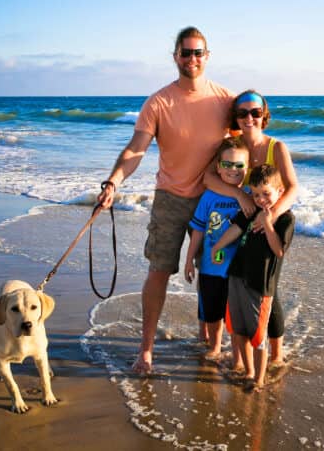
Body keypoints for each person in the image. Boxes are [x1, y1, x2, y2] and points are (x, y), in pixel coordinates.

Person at [97, 26, 234, 375]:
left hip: (214, 200)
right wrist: (113, 182)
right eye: (185, 53)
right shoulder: (158, 102)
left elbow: (244, 149)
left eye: (198, 52)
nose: (192, 59)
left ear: (208, 56)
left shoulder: (225, 100)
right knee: (158, 271)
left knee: (212, 273)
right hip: (170, 199)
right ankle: (145, 351)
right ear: (175, 57)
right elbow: (135, 149)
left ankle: (211, 341)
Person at [202, 89, 298, 367]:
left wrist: (269, 215)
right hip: (241, 221)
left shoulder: (276, 148)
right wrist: (240, 196)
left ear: (264, 116)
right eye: (242, 113)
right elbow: (209, 177)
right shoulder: (232, 143)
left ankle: (277, 356)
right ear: (236, 116)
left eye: (255, 112)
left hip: (271, 223)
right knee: (241, 285)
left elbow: (293, 188)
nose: (249, 118)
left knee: (269, 287)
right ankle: (238, 351)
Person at [210, 164, 294, 392]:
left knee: (257, 336)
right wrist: (217, 246)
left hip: (260, 285)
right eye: (256, 194)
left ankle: (259, 378)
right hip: (237, 277)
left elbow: (278, 250)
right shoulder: (250, 211)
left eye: (266, 193)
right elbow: (236, 229)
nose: (261, 199)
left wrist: (267, 224)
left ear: (279, 190)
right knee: (239, 331)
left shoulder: (285, 219)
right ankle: (248, 371)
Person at [183, 136, 249, 361]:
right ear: (218, 167)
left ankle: (239, 356)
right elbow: (198, 230)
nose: (233, 169)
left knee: (236, 314)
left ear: (247, 168)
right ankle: (215, 347)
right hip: (211, 268)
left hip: (239, 270)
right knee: (212, 311)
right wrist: (189, 260)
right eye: (227, 164)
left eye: (239, 165)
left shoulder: (250, 195)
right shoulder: (208, 197)